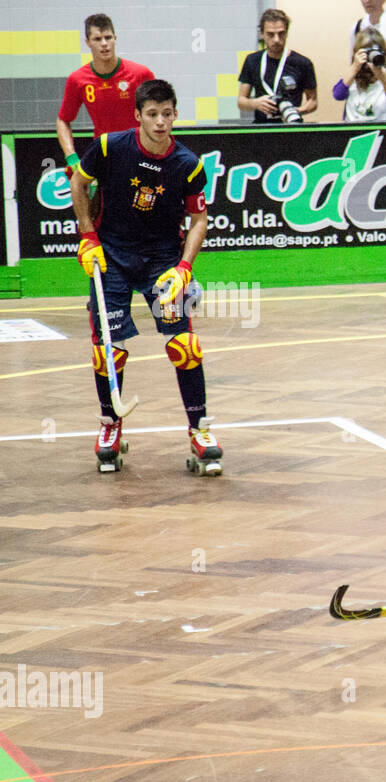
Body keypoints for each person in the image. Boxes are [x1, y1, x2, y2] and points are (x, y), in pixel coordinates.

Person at [70, 79, 219, 476]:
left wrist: (185, 268)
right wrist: (87, 236)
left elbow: (199, 218)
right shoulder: (108, 147)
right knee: (107, 350)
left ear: (175, 114)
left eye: (167, 114)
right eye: (151, 114)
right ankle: (110, 426)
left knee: (185, 345)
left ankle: (199, 429)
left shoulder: (189, 165)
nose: (160, 122)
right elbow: (79, 182)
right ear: (137, 115)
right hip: (111, 257)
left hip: (162, 262)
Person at [57, 14, 155, 181]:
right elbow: (63, 120)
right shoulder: (77, 80)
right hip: (105, 156)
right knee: (79, 188)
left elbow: (159, 112)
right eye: (97, 39)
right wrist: (71, 156)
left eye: (108, 37)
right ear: (87, 42)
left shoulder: (141, 74)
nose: (104, 44)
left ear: (115, 38)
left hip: (142, 154)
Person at [237, 10, 317, 124]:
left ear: (287, 33)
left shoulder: (303, 63)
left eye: (281, 33)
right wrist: (255, 103)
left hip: (292, 128)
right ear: (262, 34)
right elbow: (241, 101)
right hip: (261, 130)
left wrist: (295, 111)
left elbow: (313, 101)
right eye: (270, 34)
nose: (276, 39)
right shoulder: (252, 60)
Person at [335, 27, 386, 121]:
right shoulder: (352, 78)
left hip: (383, 132)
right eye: (367, 53)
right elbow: (338, 95)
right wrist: (354, 68)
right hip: (352, 132)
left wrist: (385, 82)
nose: (371, 58)